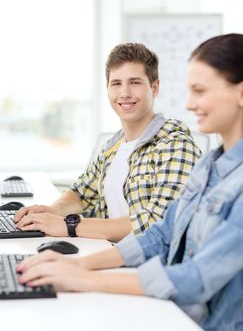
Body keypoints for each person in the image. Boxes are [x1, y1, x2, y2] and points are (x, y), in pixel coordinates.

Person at [17, 33, 243, 331]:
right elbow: (161, 234)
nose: (189, 104)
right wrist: (79, 265)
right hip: (171, 308)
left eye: (200, 91)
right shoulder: (209, 166)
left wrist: (87, 276)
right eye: (190, 91)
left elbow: (197, 278)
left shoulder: (185, 149)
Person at [14, 43, 200, 242]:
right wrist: (51, 211)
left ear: (154, 87)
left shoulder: (175, 145)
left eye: (135, 82)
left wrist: (69, 226)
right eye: (116, 83)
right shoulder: (113, 146)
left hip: (148, 266)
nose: (125, 93)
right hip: (111, 253)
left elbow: (156, 223)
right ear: (108, 88)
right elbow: (81, 193)